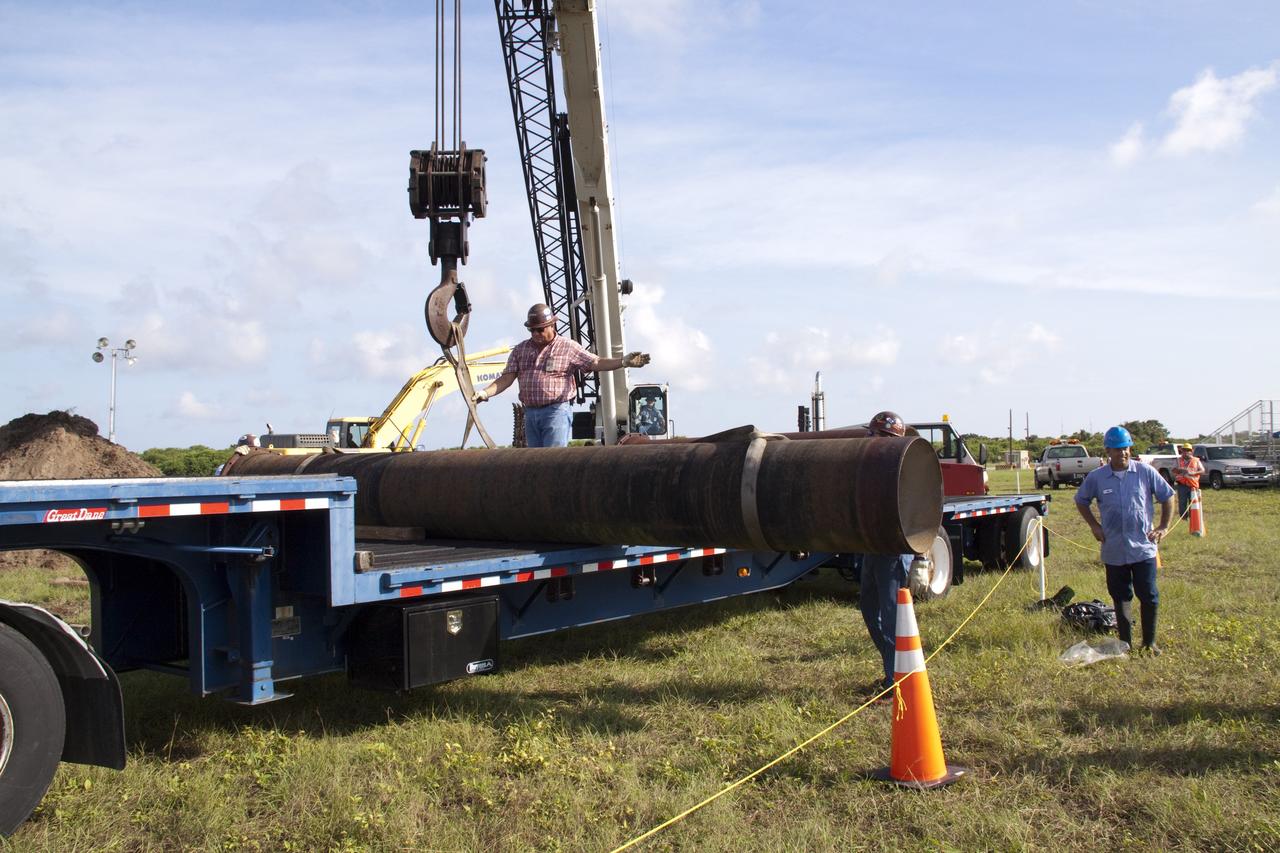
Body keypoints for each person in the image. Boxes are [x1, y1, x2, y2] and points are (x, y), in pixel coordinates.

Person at [472, 303, 650, 447]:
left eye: (540, 330)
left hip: (555, 412)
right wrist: (485, 393)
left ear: (552, 325)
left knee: (552, 460)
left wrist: (622, 362)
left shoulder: (568, 347)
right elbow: (507, 378)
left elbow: (595, 362)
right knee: (534, 463)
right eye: (532, 330)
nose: (536, 334)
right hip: (531, 414)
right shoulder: (521, 350)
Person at [1075, 425, 1175, 656]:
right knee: (1120, 596)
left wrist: (1163, 527)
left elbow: (1167, 496)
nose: (1123, 453)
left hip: (1143, 549)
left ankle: (1149, 643)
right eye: (1117, 449)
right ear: (1108, 451)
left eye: (1126, 448)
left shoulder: (1145, 472)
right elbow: (1081, 500)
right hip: (1114, 549)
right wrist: (1094, 525)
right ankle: (1125, 643)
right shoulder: (1097, 477)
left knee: (1149, 595)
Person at [857, 410, 916, 695]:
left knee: (892, 618)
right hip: (873, 547)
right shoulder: (871, 466)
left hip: (891, 552)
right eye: (870, 433)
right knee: (869, 608)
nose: (870, 438)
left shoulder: (903, 469)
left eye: (875, 434)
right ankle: (892, 669)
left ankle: (897, 682)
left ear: (891, 439)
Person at [1171, 443, 1204, 519]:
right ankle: (1184, 518)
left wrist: (1193, 473)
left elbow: (1202, 470)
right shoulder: (1178, 460)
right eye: (1184, 450)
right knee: (1182, 503)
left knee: (1193, 503)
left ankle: (1193, 518)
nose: (1186, 452)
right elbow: (1173, 469)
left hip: (1193, 485)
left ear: (1191, 451)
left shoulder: (1196, 460)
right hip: (1181, 485)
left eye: (1188, 450)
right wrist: (1181, 470)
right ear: (1181, 451)